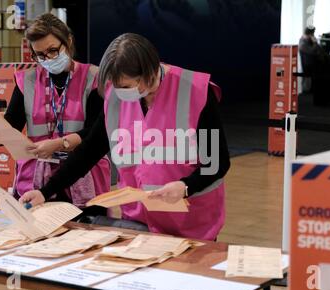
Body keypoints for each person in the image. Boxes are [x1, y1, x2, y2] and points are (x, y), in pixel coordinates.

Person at [20, 33, 231, 241]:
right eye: (115, 85)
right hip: (139, 221)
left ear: (148, 74)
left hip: (191, 222)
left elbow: (217, 163)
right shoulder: (117, 97)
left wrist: (185, 186)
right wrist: (45, 192)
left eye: (126, 86)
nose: (120, 92)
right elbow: (88, 151)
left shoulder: (196, 91)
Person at [0, 13, 111, 216]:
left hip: (83, 176)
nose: (48, 59)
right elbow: (12, 124)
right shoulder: (26, 80)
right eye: (40, 55)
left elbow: (95, 132)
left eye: (53, 51)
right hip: (36, 178)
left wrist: (59, 144)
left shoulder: (93, 78)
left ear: (68, 41)